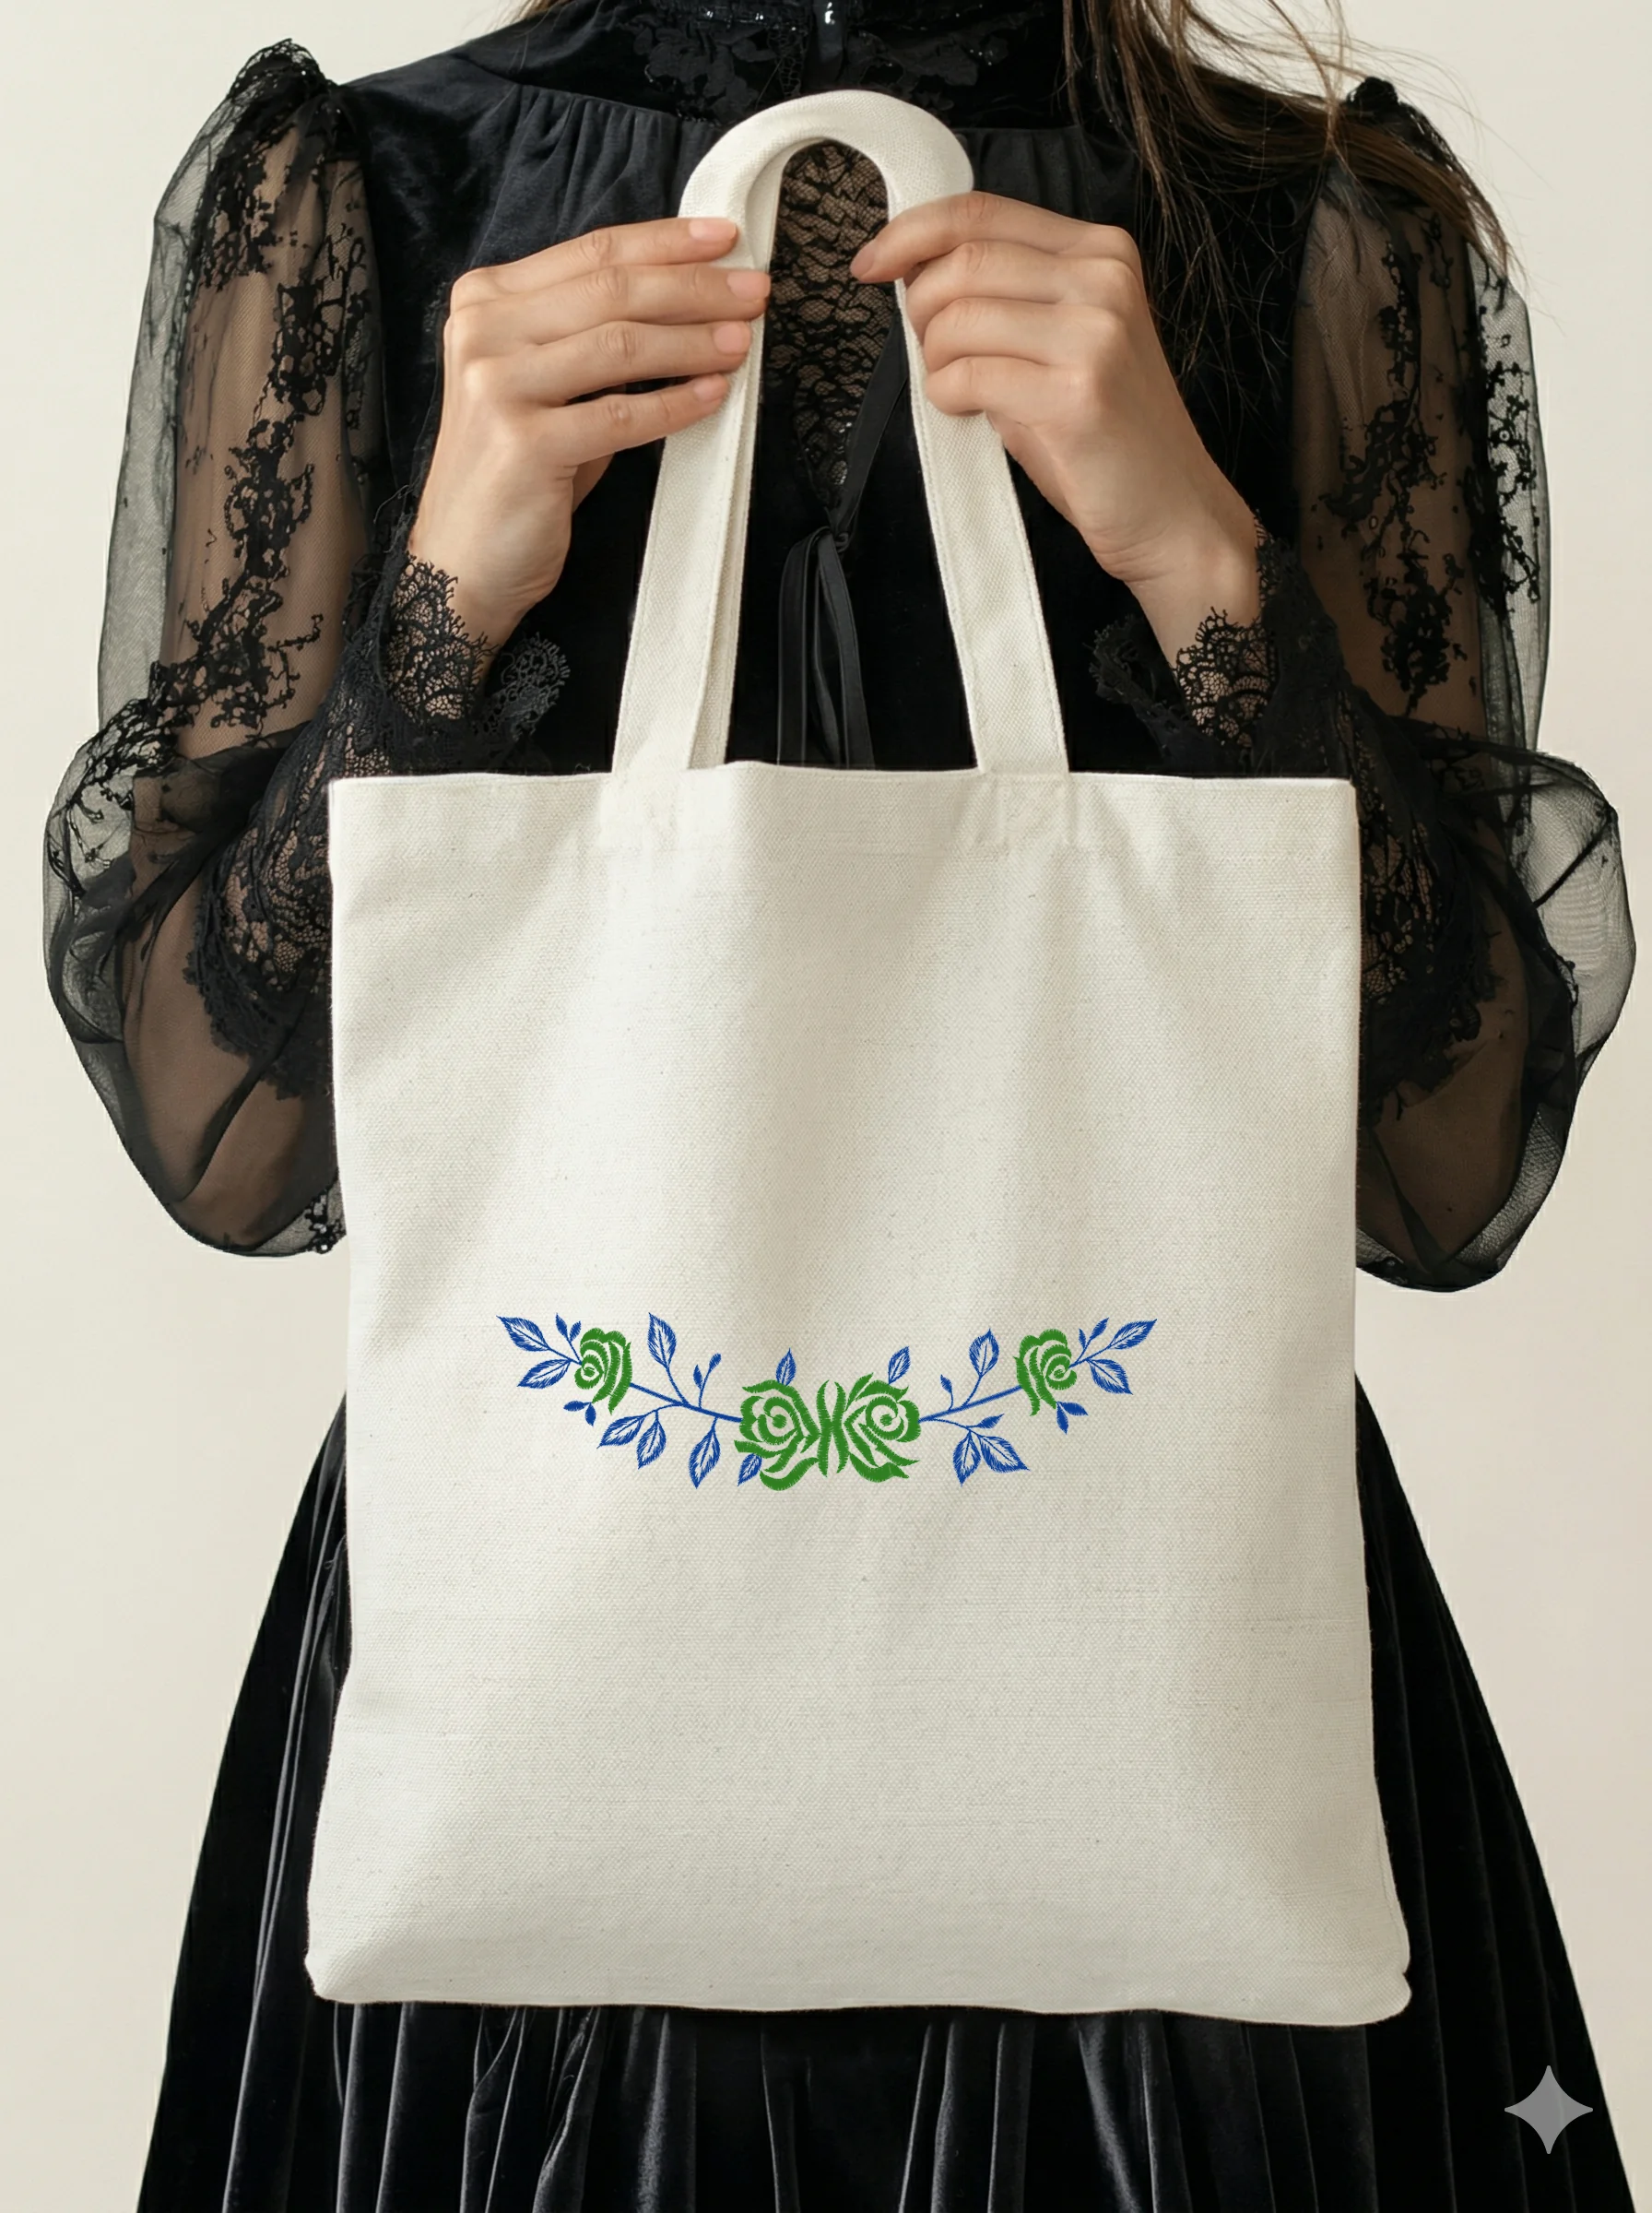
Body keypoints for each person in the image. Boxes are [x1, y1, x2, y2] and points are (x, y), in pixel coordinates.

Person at [43, 1, 1637, 2205]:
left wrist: (1202, 568)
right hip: (556, 1633)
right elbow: (228, 1138)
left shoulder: (1315, 226)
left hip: (1147, 1636)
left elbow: (1434, 1170)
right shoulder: (366, 203)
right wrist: (442, 601)